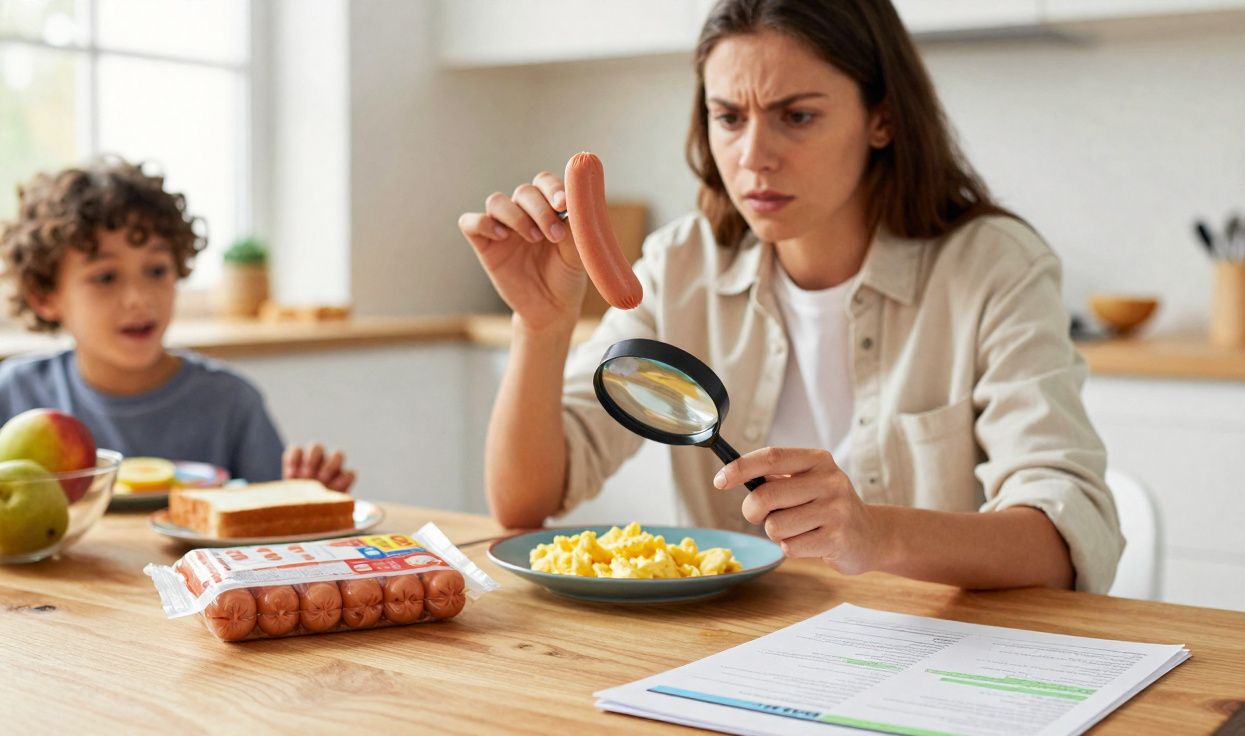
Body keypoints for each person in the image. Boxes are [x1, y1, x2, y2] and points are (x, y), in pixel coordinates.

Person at [458, 0, 1122, 592]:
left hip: (931, 651)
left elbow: (1063, 539)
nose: (753, 156)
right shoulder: (680, 263)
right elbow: (526, 503)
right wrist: (540, 327)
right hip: (733, 656)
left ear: (882, 119)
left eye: (796, 116)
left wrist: (875, 532)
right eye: (728, 116)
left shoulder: (994, 267)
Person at [0, 157, 355, 490]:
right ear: (44, 295)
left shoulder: (230, 401)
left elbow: (270, 527)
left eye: (156, 271)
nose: (139, 298)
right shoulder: (14, 393)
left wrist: (304, 501)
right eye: (106, 277)